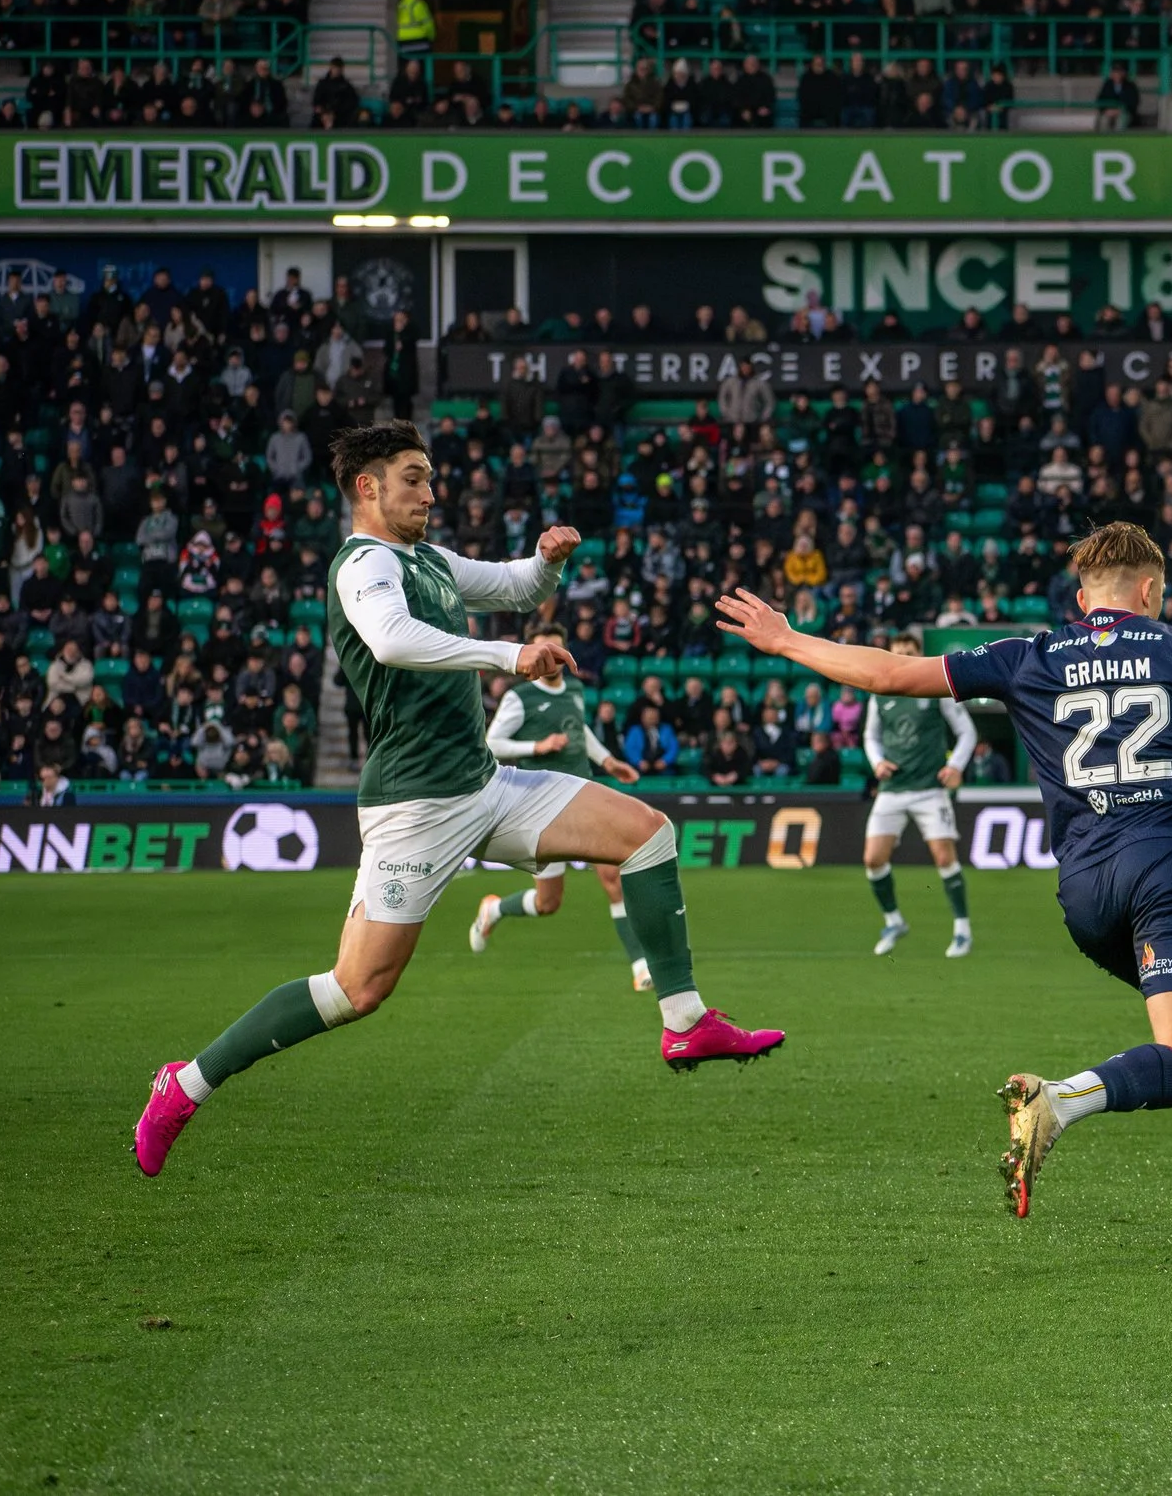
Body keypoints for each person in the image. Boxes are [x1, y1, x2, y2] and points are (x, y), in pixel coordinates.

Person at [133, 424, 785, 1178]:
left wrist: (545, 562)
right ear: (367, 487)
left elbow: (512, 588)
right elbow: (391, 640)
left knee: (647, 833)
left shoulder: (429, 560)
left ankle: (684, 1020)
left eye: (433, 478)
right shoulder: (365, 565)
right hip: (415, 806)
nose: (432, 493)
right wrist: (510, 656)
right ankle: (183, 1085)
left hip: (486, 785)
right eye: (414, 478)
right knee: (357, 989)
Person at [715, 523, 1172, 1247]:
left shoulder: (1032, 653)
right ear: (1149, 591)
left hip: (1084, 892)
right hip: (1167, 868)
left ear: (1084, 598)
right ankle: (1059, 1099)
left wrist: (788, 639)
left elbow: (891, 675)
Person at [467, 622, 654, 992]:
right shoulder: (520, 698)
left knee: (613, 878)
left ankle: (640, 966)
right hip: (543, 806)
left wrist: (608, 760)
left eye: (555, 650)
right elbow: (493, 744)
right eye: (541, 651)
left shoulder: (575, 687)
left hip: (584, 793)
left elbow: (578, 729)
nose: (548, 659)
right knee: (549, 902)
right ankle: (494, 909)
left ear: (565, 652)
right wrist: (537, 747)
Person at [861, 631, 980, 958]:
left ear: (918, 653)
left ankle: (962, 930)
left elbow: (967, 731)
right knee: (873, 859)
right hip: (893, 787)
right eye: (898, 652)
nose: (903, 656)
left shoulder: (934, 688)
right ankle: (893, 920)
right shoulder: (880, 693)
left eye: (908, 651)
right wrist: (877, 761)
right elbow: (870, 736)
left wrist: (955, 765)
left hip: (929, 788)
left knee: (944, 857)